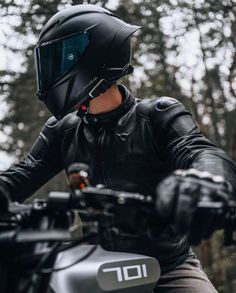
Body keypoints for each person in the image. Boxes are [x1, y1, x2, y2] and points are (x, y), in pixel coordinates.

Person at [0, 4, 235, 292]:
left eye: (63, 57)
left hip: (168, 268)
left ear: (97, 56)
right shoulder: (63, 130)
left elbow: (199, 152)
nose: (52, 69)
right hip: (96, 263)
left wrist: (207, 180)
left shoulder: (157, 116)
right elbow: (20, 176)